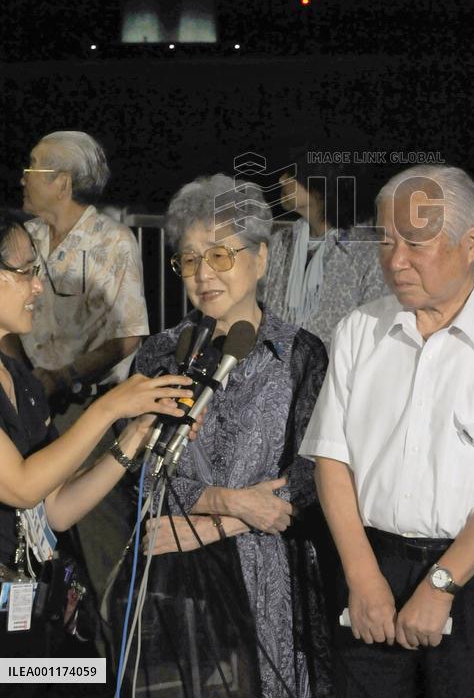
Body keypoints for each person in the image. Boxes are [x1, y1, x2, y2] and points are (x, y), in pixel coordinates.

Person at [300, 164, 474, 698]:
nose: (395, 261)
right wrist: (362, 575)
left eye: (416, 243)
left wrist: (441, 584)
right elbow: (331, 459)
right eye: (387, 241)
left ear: (470, 244)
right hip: (374, 566)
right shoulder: (359, 331)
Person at [127, 173, 332, 698]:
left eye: (221, 255)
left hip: (265, 571)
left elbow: (310, 480)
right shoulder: (158, 355)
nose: (203, 274)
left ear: (260, 259)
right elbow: (135, 469)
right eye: (189, 260)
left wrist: (218, 522)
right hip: (171, 571)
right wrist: (225, 502)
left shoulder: (301, 354)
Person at [0, 208, 194, 666]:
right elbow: (21, 484)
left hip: (27, 614)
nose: (37, 287)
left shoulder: (22, 383)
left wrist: (135, 435)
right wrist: (110, 405)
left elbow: (54, 509)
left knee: (72, 679)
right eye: (26, 273)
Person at [16, 130, 149, 400]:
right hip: (25, 393)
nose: (22, 178)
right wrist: (22, 378)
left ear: (63, 184)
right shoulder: (25, 237)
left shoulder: (113, 240)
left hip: (86, 401)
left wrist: (63, 378)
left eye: (31, 167)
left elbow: (128, 335)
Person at [264, 153, 388, 349]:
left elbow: (373, 336)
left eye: (293, 175)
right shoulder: (280, 243)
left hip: (333, 375)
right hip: (273, 374)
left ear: (322, 187)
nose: (282, 179)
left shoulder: (366, 253)